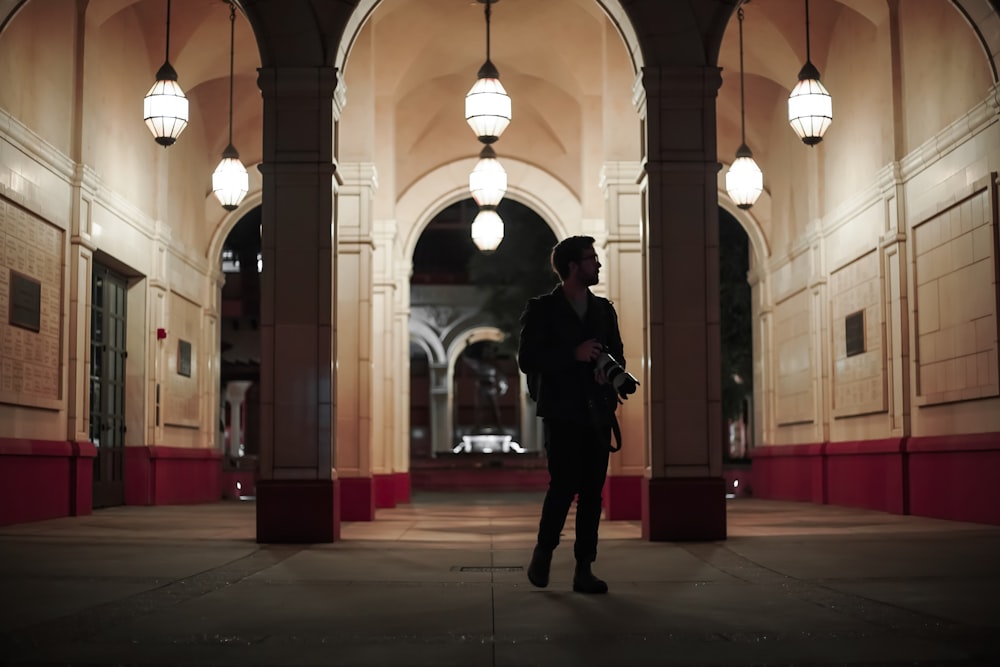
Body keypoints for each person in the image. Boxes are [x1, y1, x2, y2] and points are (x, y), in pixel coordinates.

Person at [517, 235, 625, 594]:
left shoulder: (604, 310)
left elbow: (619, 357)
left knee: (592, 493)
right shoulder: (543, 309)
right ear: (572, 266)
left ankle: (584, 568)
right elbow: (527, 361)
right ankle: (544, 552)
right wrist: (572, 354)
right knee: (563, 487)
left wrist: (606, 368)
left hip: (597, 413)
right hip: (562, 413)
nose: (598, 264)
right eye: (591, 258)